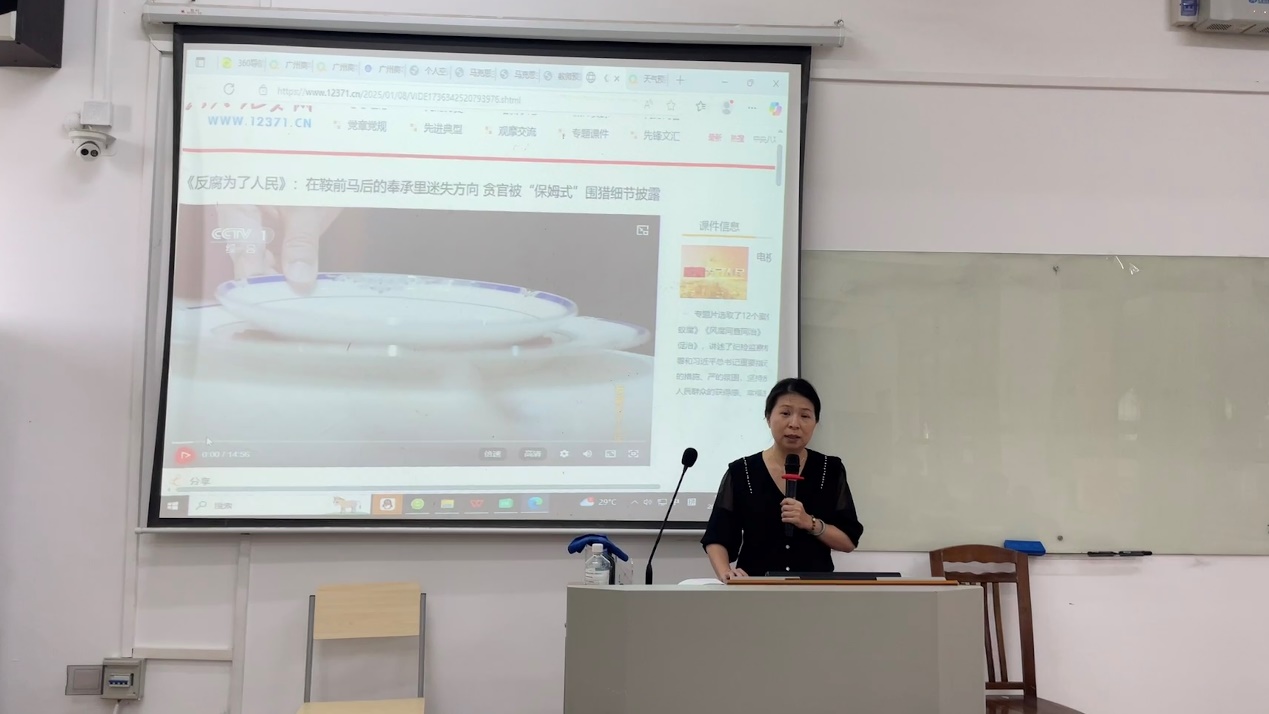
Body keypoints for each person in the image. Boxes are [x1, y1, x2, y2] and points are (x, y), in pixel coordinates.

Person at [701, 378, 863, 581]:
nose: (794, 424)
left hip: (814, 589)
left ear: (815, 422)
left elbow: (848, 541)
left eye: (805, 415)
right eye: (785, 413)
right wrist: (725, 571)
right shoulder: (742, 471)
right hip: (757, 586)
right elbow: (717, 535)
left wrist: (810, 522)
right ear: (768, 417)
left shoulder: (829, 470)